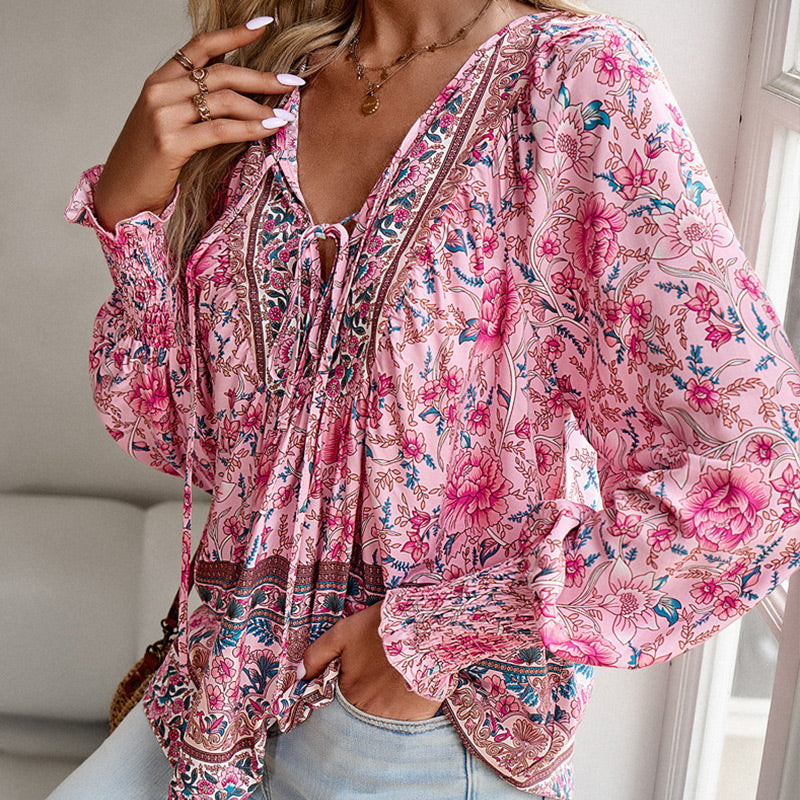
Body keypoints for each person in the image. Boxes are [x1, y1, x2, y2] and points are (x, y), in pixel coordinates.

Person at [55, 0, 800, 798]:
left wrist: (429, 637)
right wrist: (127, 208)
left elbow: (763, 468)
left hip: (407, 729)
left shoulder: (574, 78)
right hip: (213, 703)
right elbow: (184, 438)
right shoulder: (273, 82)